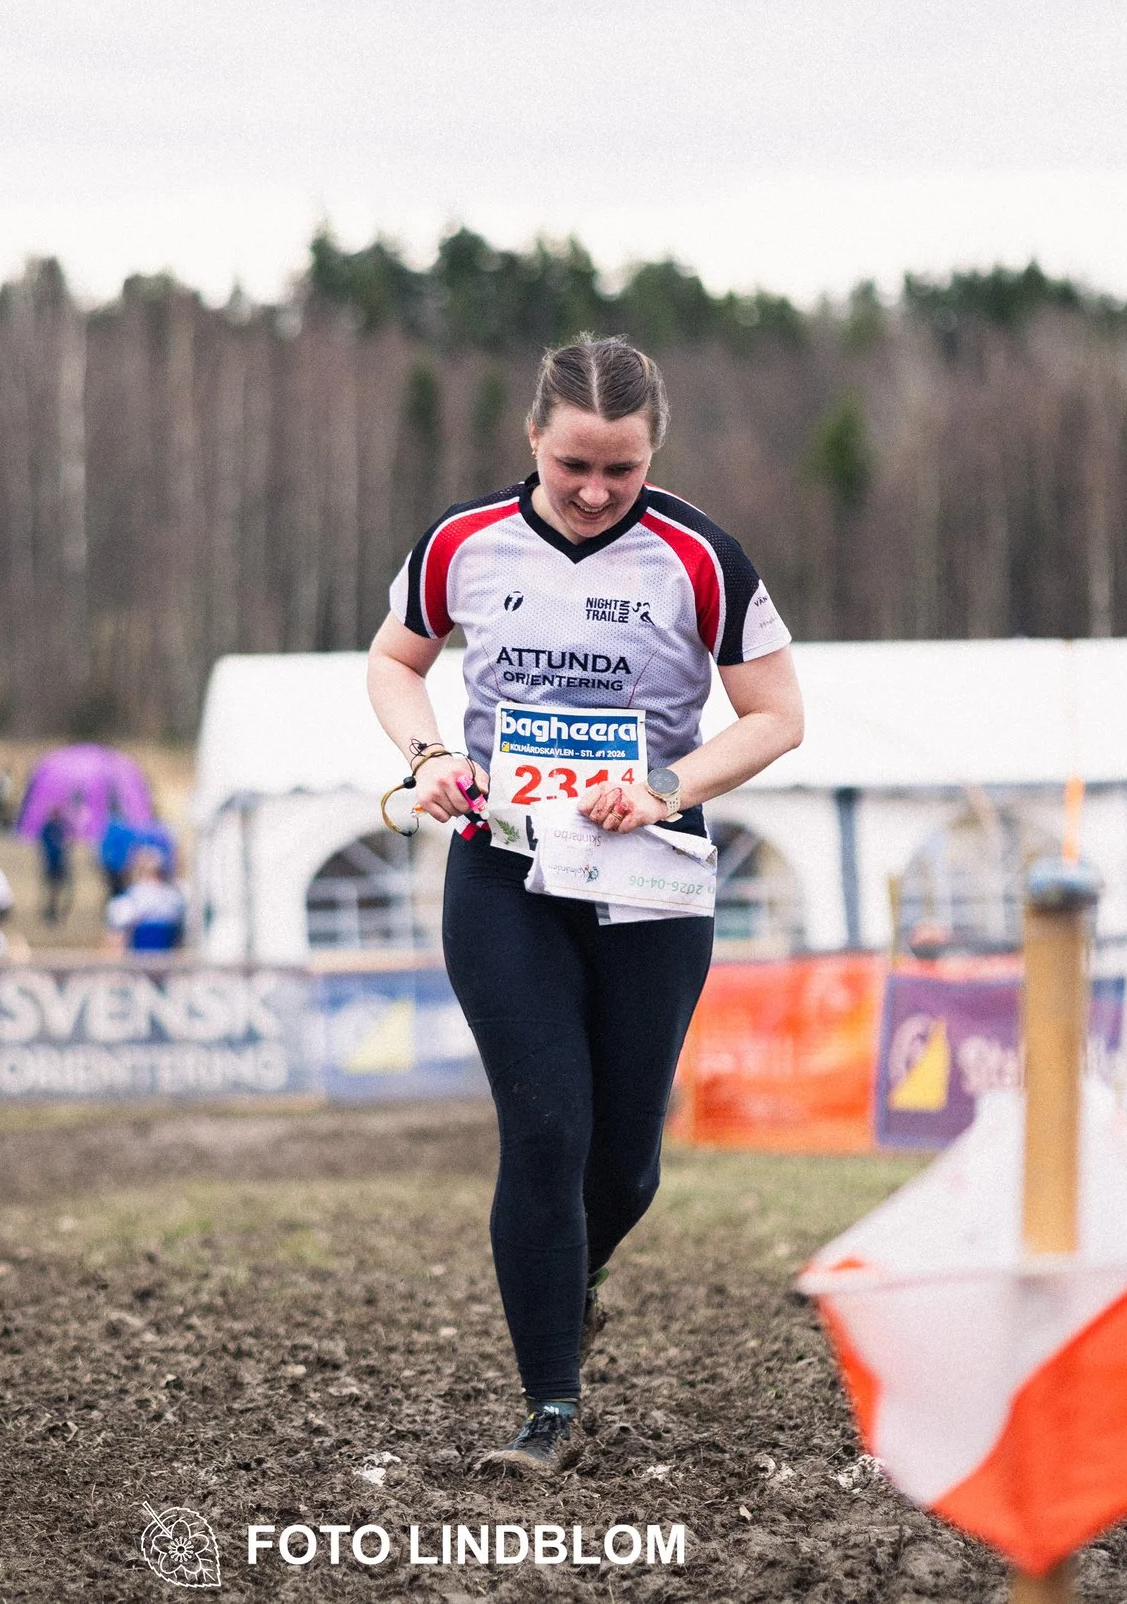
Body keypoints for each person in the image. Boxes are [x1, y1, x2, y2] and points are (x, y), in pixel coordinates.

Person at [366, 334, 805, 1475]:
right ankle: (549, 1403)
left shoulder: (701, 556)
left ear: (652, 450)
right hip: (504, 867)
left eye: (621, 467)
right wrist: (424, 758)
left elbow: (776, 713)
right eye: (574, 465)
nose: (596, 489)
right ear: (533, 440)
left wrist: (669, 783)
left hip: (648, 876)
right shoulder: (463, 542)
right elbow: (393, 660)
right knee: (546, 1127)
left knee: (624, 1168)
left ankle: (574, 1272)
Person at [103, 846, 186, 954]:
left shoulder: (132, 897)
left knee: (117, 935)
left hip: (141, 957)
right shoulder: (174, 897)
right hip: (165, 955)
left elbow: (117, 927)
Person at [39, 805, 74, 925]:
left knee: (64, 891)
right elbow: (48, 845)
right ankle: (51, 913)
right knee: (54, 890)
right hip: (53, 864)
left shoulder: (62, 827)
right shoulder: (49, 828)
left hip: (62, 863)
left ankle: (59, 914)